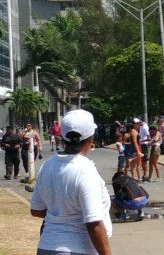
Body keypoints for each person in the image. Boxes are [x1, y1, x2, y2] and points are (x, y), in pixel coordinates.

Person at [30, 109, 112, 255]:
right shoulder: (85, 170)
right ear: (91, 138)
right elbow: (94, 223)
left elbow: (36, 210)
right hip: (77, 248)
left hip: (46, 246)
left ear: (62, 137)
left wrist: (60, 215)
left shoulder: (47, 166)